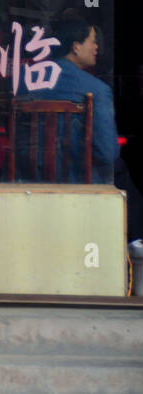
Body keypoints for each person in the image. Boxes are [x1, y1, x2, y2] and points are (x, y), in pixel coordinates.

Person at [43, 16, 141, 243]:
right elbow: (107, 153)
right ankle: (135, 246)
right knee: (120, 169)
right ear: (76, 47)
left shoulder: (30, 82)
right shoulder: (96, 89)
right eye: (92, 41)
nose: (97, 47)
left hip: (32, 178)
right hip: (80, 179)